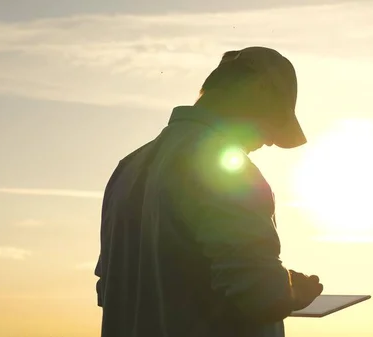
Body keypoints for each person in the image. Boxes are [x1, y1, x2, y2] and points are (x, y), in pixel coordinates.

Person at [94, 46, 323, 337]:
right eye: (272, 124)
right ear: (255, 94)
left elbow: (108, 291)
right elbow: (262, 294)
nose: (268, 142)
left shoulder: (126, 170)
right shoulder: (228, 171)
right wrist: (291, 290)